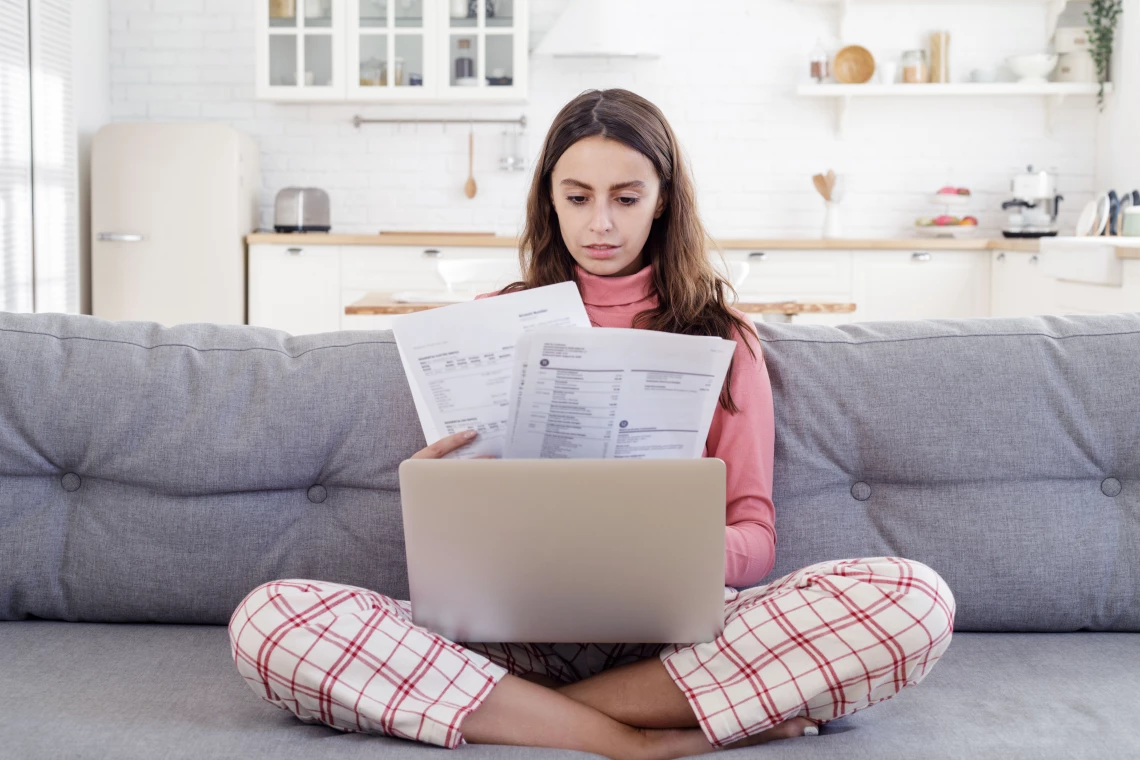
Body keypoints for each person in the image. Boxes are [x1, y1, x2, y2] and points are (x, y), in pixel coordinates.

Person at [229, 89, 955, 760]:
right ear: (550, 201)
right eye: (576, 198)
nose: (599, 223)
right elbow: (456, 538)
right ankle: (631, 736)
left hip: (676, 643)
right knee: (270, 621)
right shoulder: (494, 318)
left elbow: (756, 539)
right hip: (516, 634)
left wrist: (665, 545)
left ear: (663, 202)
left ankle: (535, 717)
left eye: (626, 197)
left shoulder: (722, 337)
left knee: (913, 600)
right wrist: (433, 489)